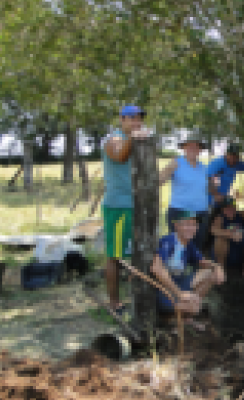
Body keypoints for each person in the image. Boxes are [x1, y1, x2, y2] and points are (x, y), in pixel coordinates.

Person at [101, 105, 150, 316]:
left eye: (139, 119)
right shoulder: (113, 138)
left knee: (137, 252)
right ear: (121, 119)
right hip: (118, 206)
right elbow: (119, 156)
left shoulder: (139, 140)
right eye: (131, 119)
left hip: (138, 204)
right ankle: (114, 303)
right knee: (115, 256)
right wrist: (134, 137)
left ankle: (137, 297)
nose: (136, 122)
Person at [152, 211, 225, 330]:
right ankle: (170, 318)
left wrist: (218, 267)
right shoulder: (169, 241)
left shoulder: (188, 243)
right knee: (194, 307)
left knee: (211, 273)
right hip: (164, 290)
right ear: (176, 226)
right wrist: (180, 294)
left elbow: (203, 262)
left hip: (178, 283)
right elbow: (156, 268)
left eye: (193, 225)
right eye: (186, 224)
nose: (190, 228)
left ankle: (185, 317)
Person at [160, 134, 211, 250]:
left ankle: (194, 268)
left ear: (200, 150)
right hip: (180, 212)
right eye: (189, 146)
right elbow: (159, 181)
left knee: (197, 247)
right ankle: (176, 269)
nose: (193, 149)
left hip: (201, 213)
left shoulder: (203, 167)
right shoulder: (176, 163)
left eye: (196, 146)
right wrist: (169, 168)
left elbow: (205, 189)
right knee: (179, 248)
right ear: (183, 148)